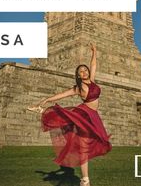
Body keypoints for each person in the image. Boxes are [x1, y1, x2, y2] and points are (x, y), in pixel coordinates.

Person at [27, 43, 112, 186]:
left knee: (90, 144)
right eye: (81, 72)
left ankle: (84, 180)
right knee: (82, 142)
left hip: (93, 115)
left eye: (85, 70)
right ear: (78, 75)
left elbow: (94, 65)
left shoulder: (92, 81)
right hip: (84, 114)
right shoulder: (78, 88)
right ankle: (86, 180)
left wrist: (94, 51)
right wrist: (47, 99)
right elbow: (62, 95)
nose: (84, 72)